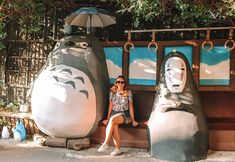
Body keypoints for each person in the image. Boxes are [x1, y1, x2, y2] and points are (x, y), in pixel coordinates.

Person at [98, 75, 138, 156]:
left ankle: (106, 143)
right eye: (118, 82)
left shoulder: (128, 93)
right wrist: (107, 118)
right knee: (114, 126)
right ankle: (117, 149)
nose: (120, 83)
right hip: (114, 113)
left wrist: (133, 120)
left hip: (124, 114)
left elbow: (130, 107)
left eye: (122, 82)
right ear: (116, 83)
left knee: (113, 120)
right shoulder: (112, 93)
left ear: (124, 84)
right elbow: (110, 106)